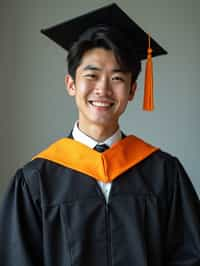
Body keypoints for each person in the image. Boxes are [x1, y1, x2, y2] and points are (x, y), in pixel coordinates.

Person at [0, 3, 199, 266]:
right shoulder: (35, 181)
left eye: (117, 78)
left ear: (132, 90)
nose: (103, 89)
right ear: (71, 84)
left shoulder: (164, 174)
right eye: (91, 75)